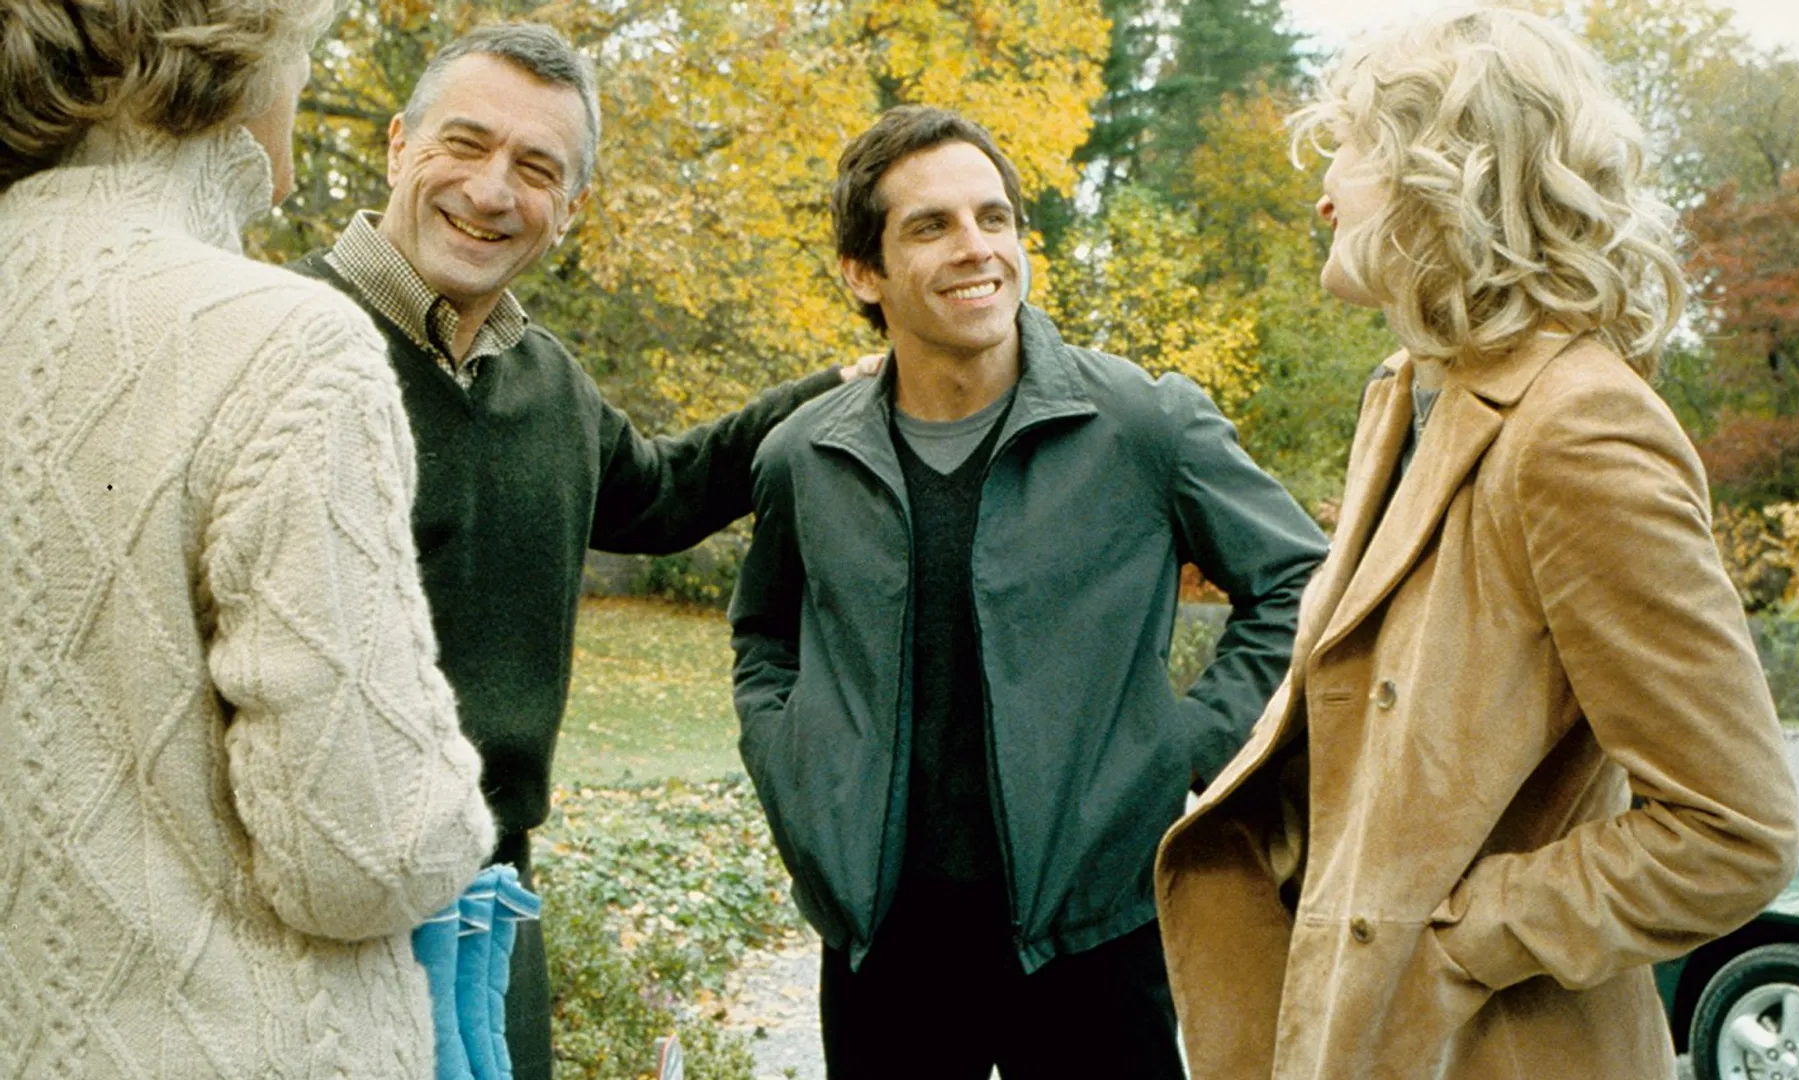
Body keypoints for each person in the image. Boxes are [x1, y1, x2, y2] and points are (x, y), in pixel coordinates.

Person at [1153, 10, 1799, 1079]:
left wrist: (1457, 938)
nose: (1325, 194)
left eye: (1353, 150)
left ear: (1449, 174)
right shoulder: (1410, 393)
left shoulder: (1578, 427)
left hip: (1494, 1051)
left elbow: (1733, 830)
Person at [286, 23, 873, 1079]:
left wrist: (836, 392)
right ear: (398, 145)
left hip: (490, 893)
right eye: (465, 143)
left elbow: (663, 494)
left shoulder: (547, 383)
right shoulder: (278, 341)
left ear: (572, 207)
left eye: (536, 168)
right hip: (305, 917)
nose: (491, 190)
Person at [729, 105, 1329, 1079]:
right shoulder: (803, 456)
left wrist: (1184, 747)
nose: (976, 247)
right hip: (884, 954)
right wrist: (788, 764)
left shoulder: (1143, 423)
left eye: (994, 217)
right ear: (863, 273)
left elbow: (1301, 580)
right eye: (931, 226)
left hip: (1096, 940)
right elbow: (764, 638)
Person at [0, 0, 497, 1074]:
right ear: (240, 53)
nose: (302, 84)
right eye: (307, 51)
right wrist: (456, 805)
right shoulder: (284, 344)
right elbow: (367, 854)